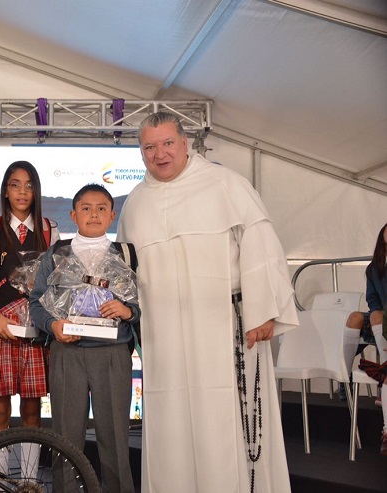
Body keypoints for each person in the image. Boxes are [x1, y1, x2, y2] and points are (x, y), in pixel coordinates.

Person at [117, 111, 298, 493]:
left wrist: (263, 312)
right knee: (172, 427)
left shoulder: (226, 184)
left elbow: (261, 246)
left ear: (185, 143)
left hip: (227, 331)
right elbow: (125, 270)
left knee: (228, 424)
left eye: (168, 143)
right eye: (149, 147)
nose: (160, 154)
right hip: (164, 340)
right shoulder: (135, 203)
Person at [30, 184, 139, 493]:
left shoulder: (125, 253)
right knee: (65, 437)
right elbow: (37, 303)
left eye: (101, 208)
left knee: (115, 435)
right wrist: (53, 325)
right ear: (73, 214)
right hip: (68, 352)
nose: (94, 214)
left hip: (112, 353)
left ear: (112, 215)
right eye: (86, 208)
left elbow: (143, 301)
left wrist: (127, 310)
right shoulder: (57, 253)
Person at [0, 161, 59, 478]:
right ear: (4, 191)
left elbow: (56, 282)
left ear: (36, 191)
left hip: (36, 329)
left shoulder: (50, 229)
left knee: (32, 408)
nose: (22, 191)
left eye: (29, 185)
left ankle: (29, 481)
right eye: (15, 184)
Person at [345, 223, 387, 454]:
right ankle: (344, 378)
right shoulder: (374, 268)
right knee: (355, 317)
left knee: (378, 316)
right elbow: (372, 299)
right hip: (380, 316)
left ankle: (384, 370)